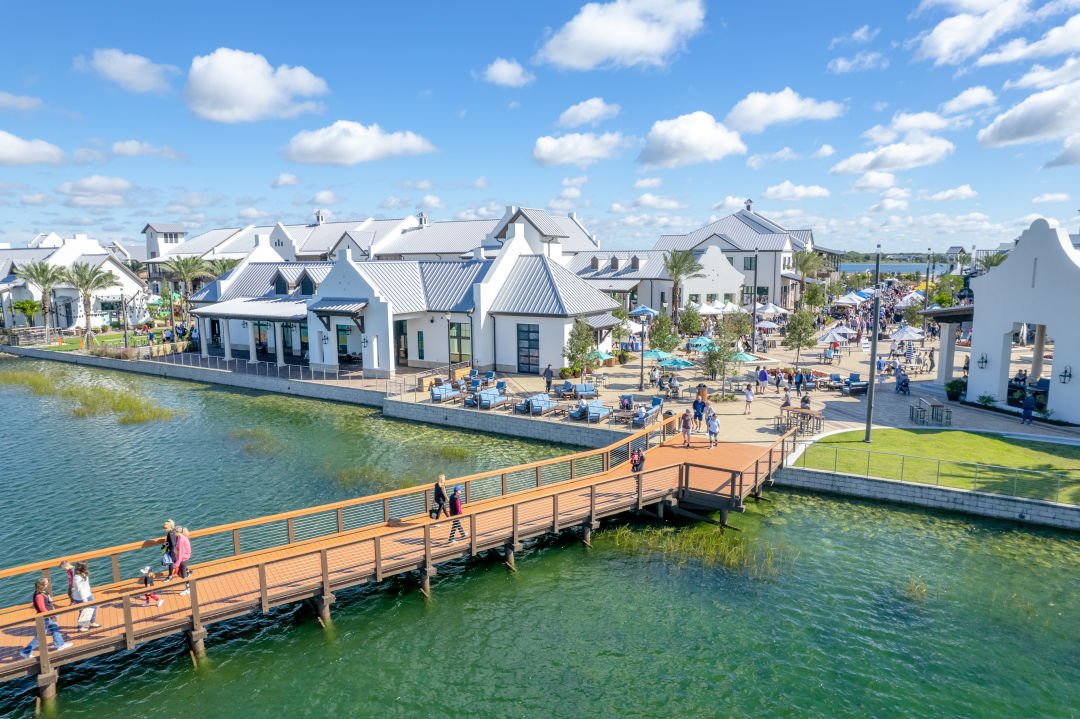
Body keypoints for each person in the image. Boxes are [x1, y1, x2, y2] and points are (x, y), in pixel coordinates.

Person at [20, 578, 73, 658]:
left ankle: (60, 644)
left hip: (49, 616)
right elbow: (42, 608)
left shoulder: (44, 592)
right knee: (40, 636)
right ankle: (26, 652)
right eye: (47, 583)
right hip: (45, 617)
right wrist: (51, 616)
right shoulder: (39, 595)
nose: (48, 584)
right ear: (43, 585)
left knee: (55, 629)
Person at [71, 562, 101, 631]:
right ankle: (81, 627)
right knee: (84, 611)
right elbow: (80, 589)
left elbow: (71, 567)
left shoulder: (82, 573)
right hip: (81, 597)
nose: (86, 567)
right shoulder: (77, 577)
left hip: (88, 594)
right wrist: (84, 599)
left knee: (94, 607)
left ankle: (92, 622)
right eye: (85, 566)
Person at [176, 527, 193, 596]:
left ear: (178, 532)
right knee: (182, 573)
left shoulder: (182, 540)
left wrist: (177, 563)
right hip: (184, 557)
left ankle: (188, 589)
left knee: (183, 575)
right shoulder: (182, 537)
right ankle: (188, 573)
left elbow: (181, 553)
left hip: (183, 558)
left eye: (175, 532)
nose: (174, 533)